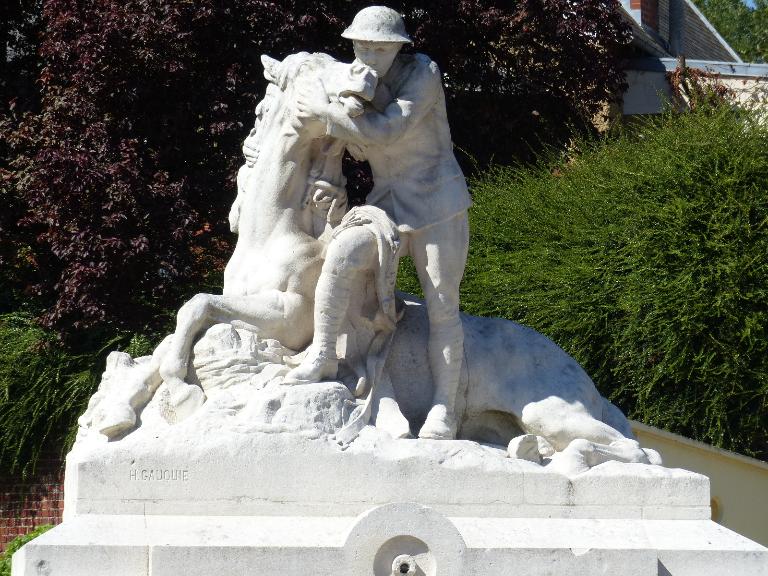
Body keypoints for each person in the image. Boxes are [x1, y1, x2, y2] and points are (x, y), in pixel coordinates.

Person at [288, 6, 471, 440]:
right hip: (386, 201)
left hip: (436, 199)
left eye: (380, 47)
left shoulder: (422, 73)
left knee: (443, 304)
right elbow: (348, 143)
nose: (368, 54)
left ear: (398, 48)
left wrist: (323, 109)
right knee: (342, 253)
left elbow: (387, 131)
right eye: (360, 45)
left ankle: (444, 409)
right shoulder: (357, 78)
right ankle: (323, 354)